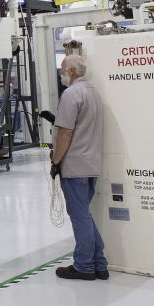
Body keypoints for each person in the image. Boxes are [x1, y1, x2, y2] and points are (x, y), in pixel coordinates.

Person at [50, 55, 108, 281]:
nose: (61, 73)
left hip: (74, 166)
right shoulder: (93, 92)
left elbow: (65, 132)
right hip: (91, 164)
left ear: (72, 71)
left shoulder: (71, 94)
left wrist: (56, 161)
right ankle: (99, 264)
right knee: (84, 213)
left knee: (79, 216)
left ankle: (84, 266)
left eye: (63, 69)